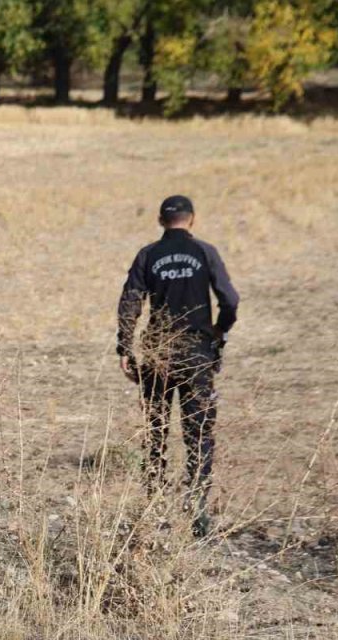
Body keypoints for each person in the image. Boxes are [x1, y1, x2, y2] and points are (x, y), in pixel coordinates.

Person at [116, 195, 239, 538]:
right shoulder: (204, 252)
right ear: (192, 219)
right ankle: (197, 509)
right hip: (197, 354)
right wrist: (219, 330)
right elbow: (230, 300)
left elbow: (130, 302)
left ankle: (155, 508)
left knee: (155, 431)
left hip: (158, 355)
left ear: (160, 220)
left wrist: (125, 347)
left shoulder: (148, 255)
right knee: (198, 433)